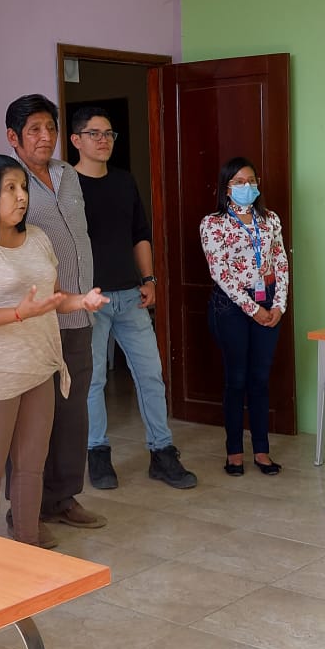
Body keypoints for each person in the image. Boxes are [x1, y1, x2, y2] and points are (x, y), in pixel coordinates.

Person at [0, 154, 108, 548]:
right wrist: (17, 313)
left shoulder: (38, 238)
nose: (22, 197)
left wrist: (81, 301)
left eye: (24, 187)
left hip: (39, 368)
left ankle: (27, 546)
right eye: (10, 188)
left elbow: (51, 298)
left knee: (32, 467)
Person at [69, 106, 197, 490]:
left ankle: (162, 452)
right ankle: (97, 453)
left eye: (109, 133)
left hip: (130, 295)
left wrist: (150, 278)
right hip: (90, 300)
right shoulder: (66, 187)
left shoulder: (124, 182)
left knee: (151, 375)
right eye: (94, 133)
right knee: (92, 380)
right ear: (76, 140)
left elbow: (140, 234)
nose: (103, 140)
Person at [5, 94, 106, 530]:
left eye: (51, 128)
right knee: (30, 419)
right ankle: (24, 508)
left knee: (72, 413)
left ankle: (63, 498)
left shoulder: (69, 175)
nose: (45, 137)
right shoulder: (9, 181)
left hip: (78, 315)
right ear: (13, 137)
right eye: (34, 130)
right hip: (37, 319)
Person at [199, 156, 290, 477]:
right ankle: (234, 452)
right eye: (238, 182)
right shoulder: (213, 223)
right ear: (226, 188)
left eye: (251, 180)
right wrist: (254, 309)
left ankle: (262, 451)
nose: (246, 186)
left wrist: (279, 305)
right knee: (236, 379)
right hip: (231, 307)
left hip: (269, 301)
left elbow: (281, 262)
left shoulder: (270, 219)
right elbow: (220, 272)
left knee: (260, 379)